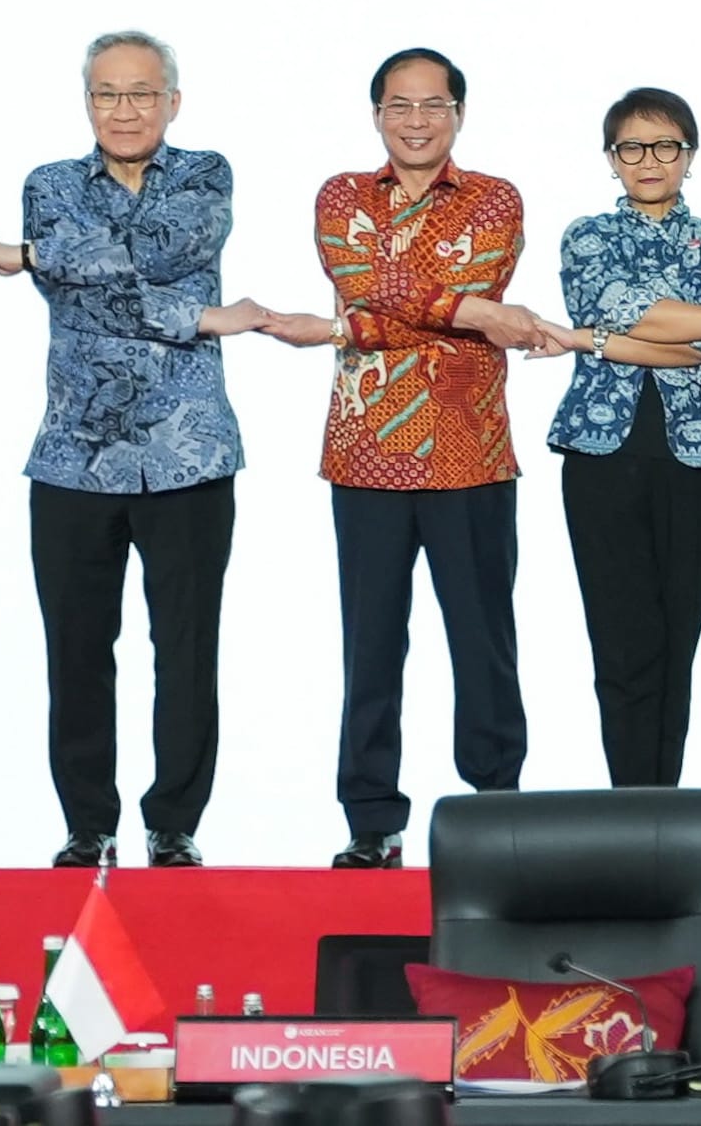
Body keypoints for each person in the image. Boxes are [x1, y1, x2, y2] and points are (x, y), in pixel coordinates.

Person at [257, 47, 579, 867]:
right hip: (365, 452)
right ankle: (372, 820)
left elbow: (385, 295)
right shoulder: (342, 194)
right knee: (371, 644)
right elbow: (368, 280)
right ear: (376, 115)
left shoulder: (494, 197)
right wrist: (474, 311)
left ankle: (496, 810)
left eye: (434, 104)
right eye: (399, 105)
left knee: (484, 639)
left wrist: (345, 325)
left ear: (459, 114)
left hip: (470, 449)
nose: (416, 120)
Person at [0, 29, 284, 868]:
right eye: (107, 93)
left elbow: (156, 252)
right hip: (72, 456)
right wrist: (201, 317)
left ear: (172, 101)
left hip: (188, 453)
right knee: (77, 650)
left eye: (141, 93)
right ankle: (88, 824)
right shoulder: (50, 184)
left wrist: (32, 256)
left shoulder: (206, 174)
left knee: (187, 649)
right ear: (87, 101)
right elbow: (74, 295)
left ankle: (173, 824)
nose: (124, 110)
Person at [541, 87, 701, 787]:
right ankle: (630, 803)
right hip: (601, 455)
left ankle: (664, 804)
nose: (649, 160)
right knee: (619, 638)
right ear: (611, 158)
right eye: (631, 147)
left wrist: (599, 339)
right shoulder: (587, 235)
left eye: (665, 146)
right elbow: (615, 307)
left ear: (690, 154)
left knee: (676, 638)